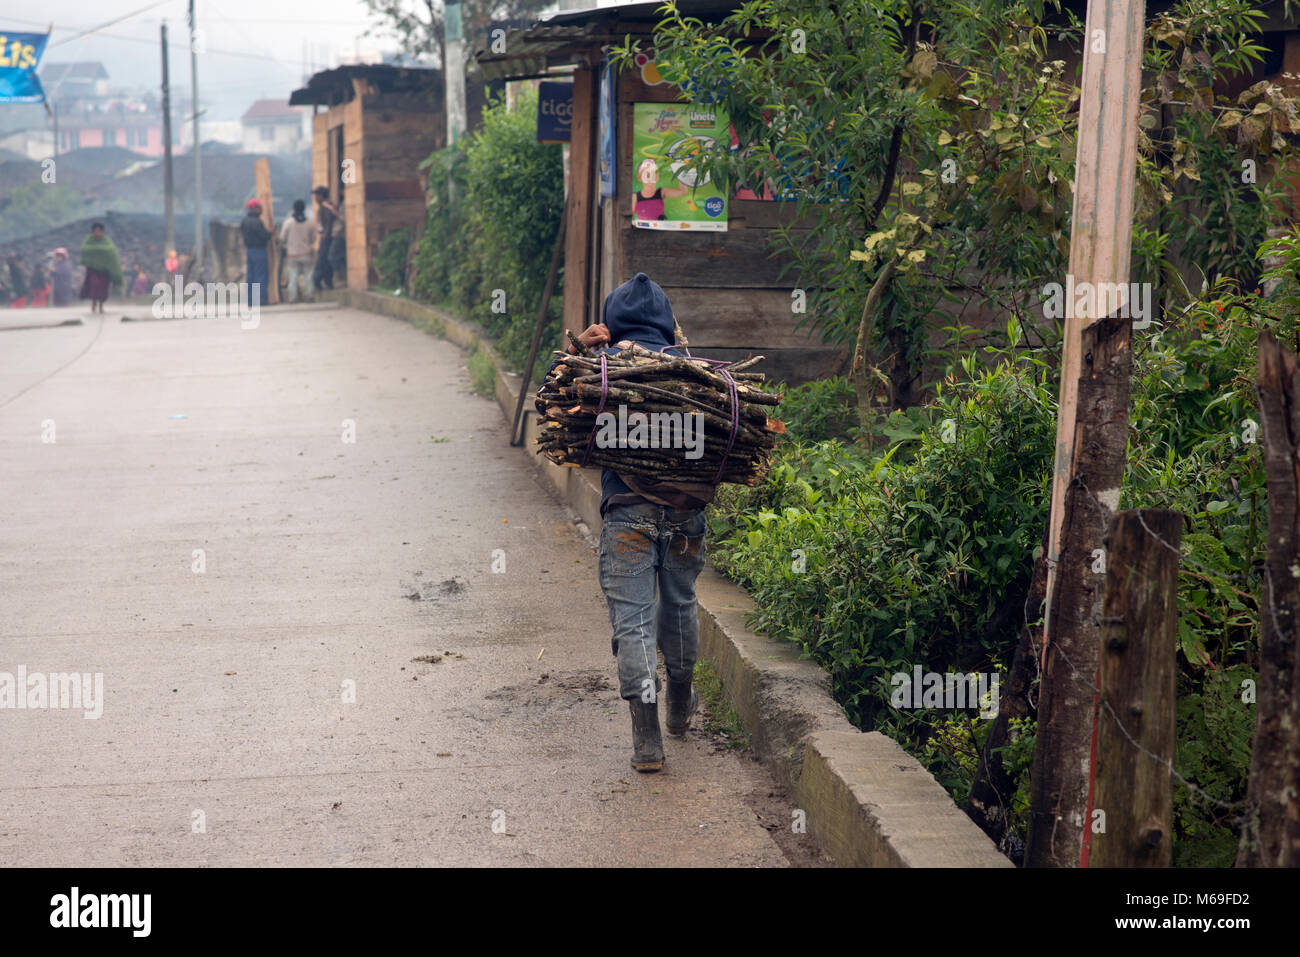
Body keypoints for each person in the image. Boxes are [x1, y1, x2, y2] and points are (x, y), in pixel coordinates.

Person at [549, 273, 712, 773]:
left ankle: (647, 740)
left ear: (612, 322)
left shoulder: (602, 369)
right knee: (681, 603)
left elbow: (549, 407)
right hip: (686, 514)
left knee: (634, 621)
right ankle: (680, 706)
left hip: (627, 516)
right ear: (666, 322)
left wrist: (578, 347)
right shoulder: (697, 374)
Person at [79, 223, 122, 313]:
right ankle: (94, 302)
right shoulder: (89, 240)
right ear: (93, 231)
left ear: (102, 232)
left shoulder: (106, 241)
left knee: (103, 289)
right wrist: (99, 250)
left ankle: (101, 305)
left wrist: (97, 250)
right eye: (96, 231)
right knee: (94, 286)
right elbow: (85, 249)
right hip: (93, 269)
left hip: (104, 270)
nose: (97, 233)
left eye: (99, 231)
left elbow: (111, 250)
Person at [279, 198, 315, 303]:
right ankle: (310, 296)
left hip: (292, 254)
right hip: (306, 253)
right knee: (308, 276)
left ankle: (293, 297)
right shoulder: (309, 223)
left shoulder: (288, 223)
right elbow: (314, 238)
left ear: (293, 209)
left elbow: (282, 238)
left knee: (293, 276)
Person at [241, 199, 271, 307]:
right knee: (261, 275)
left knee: (250, 276)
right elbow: (264, 235)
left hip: (249, 250)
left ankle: (249, 300)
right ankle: (261, 299)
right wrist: (270, 233)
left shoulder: (245, 221)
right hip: (259, 250)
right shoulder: (257, 222)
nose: (261, 209)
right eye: (259, 207)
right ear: (254, 208)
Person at [312, 186, 339, 291]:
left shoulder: (326, 206)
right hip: (327, 236)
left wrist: (324, 234)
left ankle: (318, 281)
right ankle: (327, 282)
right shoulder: (325, 206)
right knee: (326, 261)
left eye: (317, 195)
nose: (315, 198)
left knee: (322, 260)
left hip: (327, 237)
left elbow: (327, 224)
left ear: (321, 195)